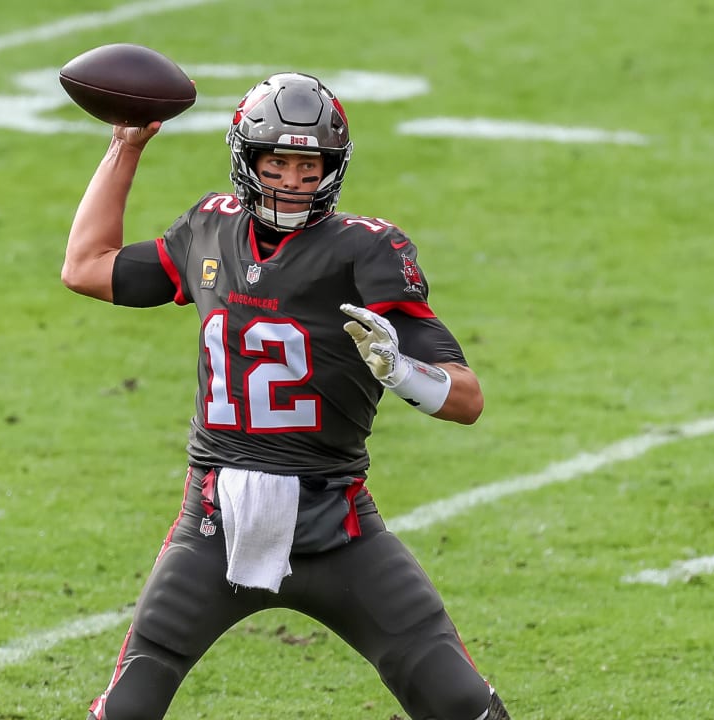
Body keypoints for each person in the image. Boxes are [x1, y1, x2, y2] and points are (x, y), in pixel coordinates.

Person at [59, 71, 511, 720]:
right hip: (213, 526)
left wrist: (402, 371)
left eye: (309, 165)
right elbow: (86, 267)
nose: (295, 182)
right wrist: (125, 144)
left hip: (337, 527)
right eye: (279, 162)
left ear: (333, 168)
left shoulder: (364, 250)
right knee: (127, 708)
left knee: (462, 705)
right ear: (249, 159)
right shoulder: (207, 230)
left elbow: (466, 399)